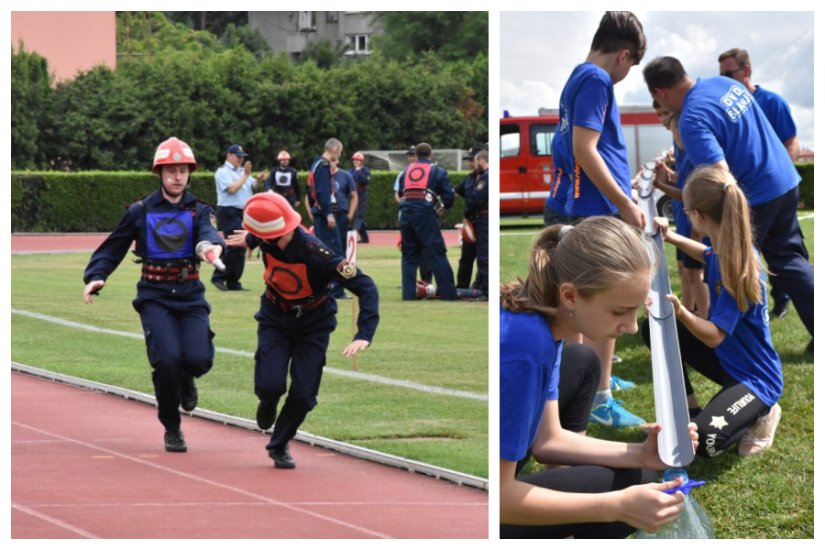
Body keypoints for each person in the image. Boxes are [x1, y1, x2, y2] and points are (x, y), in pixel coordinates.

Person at [499, 216, 699, 538]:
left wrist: (640, 454)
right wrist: (616, 505)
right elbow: (498, 499)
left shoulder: (546, 322)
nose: (632, 327)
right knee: (638, 484)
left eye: (636, 310)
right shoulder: (527, 349)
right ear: (570, 296)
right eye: (620, 311)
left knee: (583, 360)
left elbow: (548, 440)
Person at [644, 55, 814, 353]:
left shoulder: (692, 118)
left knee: (730, 264)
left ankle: (729, 338)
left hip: (756, 196)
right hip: (784, 180)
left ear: (660, 93)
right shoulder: (722, 83)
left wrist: (704, 220)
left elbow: (718, 179)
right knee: (791, 262)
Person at [82, 137, 225, 453]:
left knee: (198, 359)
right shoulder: (140, 211)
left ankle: (188, 378)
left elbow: (209, 234)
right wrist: (96, 276)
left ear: (190, 173)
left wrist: (213, 247)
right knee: (167, 361)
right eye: (171, 170)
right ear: (159, 173)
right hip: (155, 295)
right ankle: (172, 426)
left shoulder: (200, 210)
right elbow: (113, 247)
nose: (177, 176)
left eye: (183, 170)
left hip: (190, 294)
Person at [224, 192, 379, 469]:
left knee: (305, 394)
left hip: (313, 324)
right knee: (270, 384)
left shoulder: (317, 254)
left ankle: (280, 444)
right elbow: (258, 235)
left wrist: (364, 333)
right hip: (275, 317)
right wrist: (248, 238)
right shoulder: (267, 236)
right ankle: (268, 401)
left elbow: (365, 285)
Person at [549, 11, 649, 427]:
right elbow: (586, 149)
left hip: (576, 205)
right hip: (592, 210)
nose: (627, 75)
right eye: (632, 67)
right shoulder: (597, 79)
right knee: (609, 302)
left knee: (579, 307)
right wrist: (626, 204)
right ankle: (599, 395)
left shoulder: (579, 74)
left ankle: (588, 382)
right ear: (624, 55)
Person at [645, 166, 783, 458]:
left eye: (686, 210)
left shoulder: (739, 267)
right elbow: (705, 254)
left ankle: (764, 413)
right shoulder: (723, 247)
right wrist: (670, 238)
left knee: (704, 442)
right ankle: (691, 410)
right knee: (653, 327)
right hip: (727, 361)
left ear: (699, 216)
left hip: (755, 379)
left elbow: (714, 337)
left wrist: (681, 311)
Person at [718, 47, 800, 320]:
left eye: (730, 73)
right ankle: (757, 309)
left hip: (771, 193)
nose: (726, 80)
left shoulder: (772, 102)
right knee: (777, 257)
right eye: (722, 75)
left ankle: (775, 302)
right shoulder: (727, 108)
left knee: (758, 256)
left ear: (747, 71)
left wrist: (777, 178)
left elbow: (791, 142)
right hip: (749, 196)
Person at [651, 100, 709, 319]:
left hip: (693, 218)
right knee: (686, 270)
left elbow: (687, 191)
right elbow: (682, 180)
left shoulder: (694, 151)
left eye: (666, 114)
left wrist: (660, 185)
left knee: (696, 272)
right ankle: (689, 312)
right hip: (686, 217)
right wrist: (667, 174)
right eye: (659, 115)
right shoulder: (681, 148)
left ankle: (702, 317)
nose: (664, 121)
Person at [397, 142, 457, 300]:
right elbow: (448, 197)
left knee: (409, 256)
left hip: (405, 213)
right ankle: (448, 293)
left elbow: (402, 191)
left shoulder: (406, 172)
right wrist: (444, 207)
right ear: (431, 155)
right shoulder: (436, 171)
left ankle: (408, 295)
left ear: (415, 156)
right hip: (424, 213)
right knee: (436, 252)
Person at [213, 143, 266, 291]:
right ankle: (218, 276)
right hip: (228, 210)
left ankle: (233, 281)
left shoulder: (242, 172)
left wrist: (258, 180)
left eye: (242, 157)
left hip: (242, 212)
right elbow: (232, 189)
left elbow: (251, 186)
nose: (241, 159)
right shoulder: (222, 172)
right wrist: (246, 175)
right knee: (235, 245)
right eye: (238, 156)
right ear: (229, 156)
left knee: (241, 246)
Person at [307, 138, 345, 259]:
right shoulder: (324, 165)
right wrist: (329, 214)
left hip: (318, 211)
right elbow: (323, 192)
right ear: (334, 150)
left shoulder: (316, 163)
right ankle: (337, 278)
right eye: (339, 152)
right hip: (324, 213)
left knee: (322, 251)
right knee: (335, 253)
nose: (339, 156)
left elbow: (310, 190)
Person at [454, 148, 480, 290]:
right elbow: (455, 193)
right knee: (466, 258)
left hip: (483, 223)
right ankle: (462, 287)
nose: (469, 163)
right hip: (471, 222)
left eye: (472, 160)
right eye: (469, 160)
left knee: (483, 258)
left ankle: (480, 286)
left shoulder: (487, 177)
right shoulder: (469, 178)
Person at [465, 149, 489, 298]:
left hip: (483, 218)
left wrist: (467, 213)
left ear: (481, 161)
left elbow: (478, 199)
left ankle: (486, 290)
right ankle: (481, 285)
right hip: (484, 218)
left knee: (484, 255)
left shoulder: (486, 178)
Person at [349, 152, 372, 243]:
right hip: (353, 194)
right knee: (356, 215)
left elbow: (365, 180)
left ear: (361, 161)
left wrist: (359, 171)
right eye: (354, 160)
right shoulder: (351, 171)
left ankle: (354, 233)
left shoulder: (365, 170)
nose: (355, 162)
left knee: (359, 214)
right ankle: (365, 237)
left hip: (362, 194)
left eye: (358, 160)